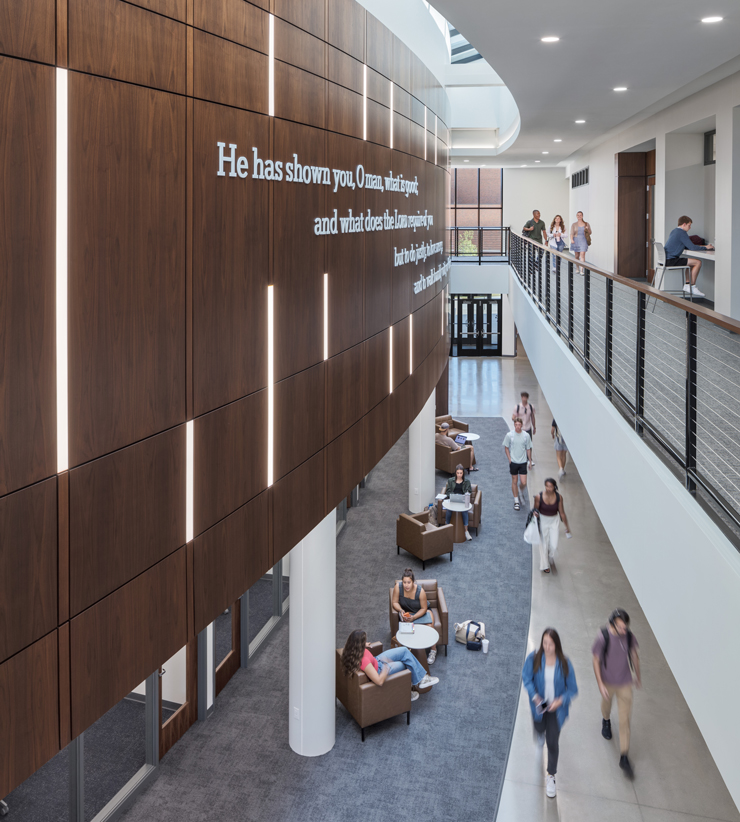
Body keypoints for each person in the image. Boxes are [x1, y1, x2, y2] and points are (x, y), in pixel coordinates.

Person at [522, 628, 579, 799]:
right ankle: (540, 735)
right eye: (545, 643)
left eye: (551, 644)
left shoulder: (565, 663)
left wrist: (560, 701)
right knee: (539, 729)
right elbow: (527, 678)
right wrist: (535, 697)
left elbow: (573, 689)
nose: (547, 647)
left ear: (557, 645)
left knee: (552, 742)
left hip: (556, 709)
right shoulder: (534, 658)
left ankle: (551, 775)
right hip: (539, 706)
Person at [592, 609, 641, 778]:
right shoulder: (602, 637)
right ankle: (605, 720)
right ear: (612, 624)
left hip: (625, 683)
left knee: (624, 719)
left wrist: (638, 677)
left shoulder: (628, 637)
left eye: (625, 627)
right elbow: (596, 659)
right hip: (608, 682)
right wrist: (600, 683)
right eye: (620, 627)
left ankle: (624, 756)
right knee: (606, 705)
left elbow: (634, 655)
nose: (623, 630)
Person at [341, 629, 439, 702]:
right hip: (380, 669)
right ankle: (406, 693)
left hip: (377, 660)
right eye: (364, 641)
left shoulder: (350, 651)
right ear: (358, 644)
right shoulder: (364, 661)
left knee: (404, 651)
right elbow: (379, 681)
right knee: (405, 664)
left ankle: (420, 680)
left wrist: (364, 645)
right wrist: (386, 668)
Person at [391, 568, 438, 664]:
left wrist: (414, 617)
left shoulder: (420, 591)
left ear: (413, 582)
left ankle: (433, 650)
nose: (406, 585)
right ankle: (410, 651)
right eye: (404, 582)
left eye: (409, 582)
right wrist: (400, 610)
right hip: (409, 613)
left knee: (430, 627)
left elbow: (424, 608)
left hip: (421, 612)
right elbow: (395, 602)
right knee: (408, 630)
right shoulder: (397, 587)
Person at [664, 216, 714, 299]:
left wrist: (703, 246)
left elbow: (688, 245)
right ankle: (692, 286)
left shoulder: (674, 231)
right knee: (698, 262)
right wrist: (706, 247)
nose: (690, 228)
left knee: (690, 263)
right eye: (689, 225)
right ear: (684, 224)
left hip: (666, 260)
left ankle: (688, 285)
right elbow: (692, 247)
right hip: (671, 260)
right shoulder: (682, 233)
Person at [533, 478, 571, 573]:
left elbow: (562, 513)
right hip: (542, 521)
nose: (548, 488)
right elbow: (535, 510)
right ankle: (545, 565)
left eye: (550, 486)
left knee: (554, 544)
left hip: (554, 521)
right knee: (543, 544)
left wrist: (567, 527)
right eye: (546, 486)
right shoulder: (539, 496)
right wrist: (535, 515)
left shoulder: (559, 497)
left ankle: (550, 555)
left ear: (554, 487)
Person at [503, 418, 532, 511]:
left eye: (519, 425)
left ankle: (520, 490)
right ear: (514, 425)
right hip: (514, 462)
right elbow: (506, 447)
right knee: (514, 481)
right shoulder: (509, 435)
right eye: (516, 424)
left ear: (522, 425)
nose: (517, 426)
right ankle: (516, 501)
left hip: (523, 462)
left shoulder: (526, 436)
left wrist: (530, 461)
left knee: (523, 482)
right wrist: (510, 459)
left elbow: (528, 449)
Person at [442, 465, 473, 541]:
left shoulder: (467, 482)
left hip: (462, 501)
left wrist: (466, 494)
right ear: (455, 473)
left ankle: (466, 531)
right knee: (449, 510)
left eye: (461, 473)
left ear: (463, 473)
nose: (459, 475)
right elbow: (448, 491)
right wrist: (453, 495)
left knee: (464, 511)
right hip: (453, 500)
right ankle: (446, 529)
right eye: (458, 473)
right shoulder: (450, 480)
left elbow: (469, 492)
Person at [512, 392, 536, 464]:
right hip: (520, 429)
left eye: (525, 397)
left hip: (528, 428)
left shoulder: (531, 407)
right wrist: (517, 423)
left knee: (528, 444)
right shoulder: (517, 407)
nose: (524, 399)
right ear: (521, 398)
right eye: (523, 397)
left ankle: (529, 459)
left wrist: (534, 427)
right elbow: (513, 417)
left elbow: (532, 417)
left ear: (527, 398)